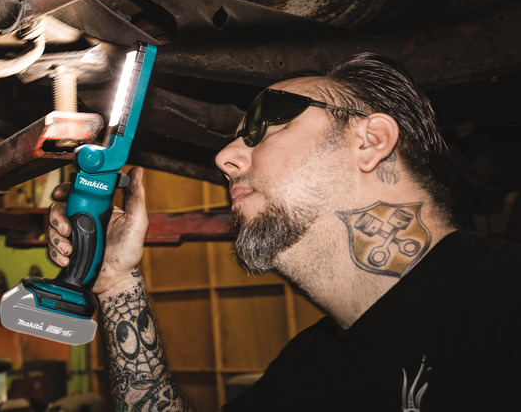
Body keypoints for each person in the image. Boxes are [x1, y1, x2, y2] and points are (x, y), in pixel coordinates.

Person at [46, 53, 521, 411]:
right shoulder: (315, 369)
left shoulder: (504, 304)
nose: (224, 158)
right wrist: (114, 281)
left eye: (262, 127)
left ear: (370, 141)